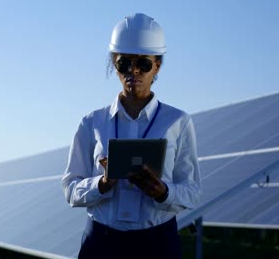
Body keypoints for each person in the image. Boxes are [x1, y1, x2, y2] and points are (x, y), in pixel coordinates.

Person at [61, 13, 202, 259]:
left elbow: (192, 190)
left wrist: (163, 192)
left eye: (143, 64)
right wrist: (101, 184)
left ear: (157, 65)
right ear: (114, 63)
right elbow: (70, 188)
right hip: (102, 243)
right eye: (123, 63)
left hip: (157, 243)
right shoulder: (92, 122)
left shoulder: (178, 122)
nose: (133, 71)